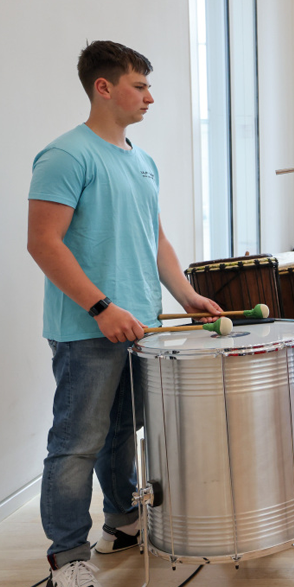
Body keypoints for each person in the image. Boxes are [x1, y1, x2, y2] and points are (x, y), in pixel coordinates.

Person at [27, 41, 222, 587]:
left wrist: (186, 295)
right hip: (86, 329)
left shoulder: (142, 161)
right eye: (140, 86)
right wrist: (100, 307)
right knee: (76, 443)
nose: (150, 97)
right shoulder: (66, 155)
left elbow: (154, 239)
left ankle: (122, 523)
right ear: (104, 88)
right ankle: (68, 558)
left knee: (121, 434)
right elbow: (43, 243)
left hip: (141, 326)